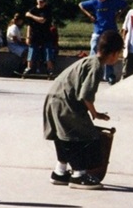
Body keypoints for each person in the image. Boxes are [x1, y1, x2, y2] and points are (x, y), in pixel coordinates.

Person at [42, 29, 122, 190]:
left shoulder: (89, 60)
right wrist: (95, 113)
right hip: (65, 103)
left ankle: (60, 172)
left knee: (62, 135)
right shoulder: (97, 66)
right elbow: (85, 95)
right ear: (113, 53)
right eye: (119, 53)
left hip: (53, 99)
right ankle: (79, 175)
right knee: (82, 136)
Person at [79, 0, 129, 81]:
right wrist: (89, 15)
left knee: (109, 52)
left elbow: (125, 4)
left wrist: (119, 14)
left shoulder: (112, 0)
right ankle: (91, 71)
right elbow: (81, 5)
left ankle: (109, 74)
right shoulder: (94, 2)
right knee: (94, 48)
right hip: (98, 30)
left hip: (110, 30)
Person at [24, 0, 54, 76]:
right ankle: (28, 68)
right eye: (39, 1)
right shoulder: (33, 10)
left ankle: (50, 69)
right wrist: (28, 36)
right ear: (36, 0)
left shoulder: (47, 10)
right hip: (35, 34)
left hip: (45, 34)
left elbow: (42, 20)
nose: (41, 3)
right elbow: (29, 25)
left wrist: (30, 15)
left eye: (42, 1)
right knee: (32, 50)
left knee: (48, 51)